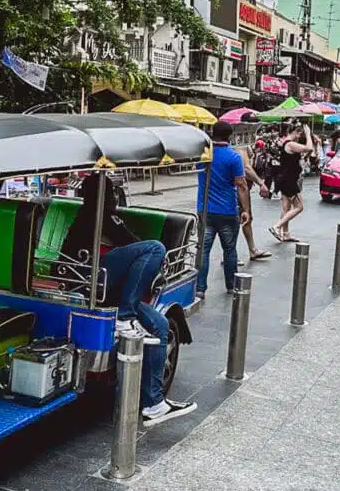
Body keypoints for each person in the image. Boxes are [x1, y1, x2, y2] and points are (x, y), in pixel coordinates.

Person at [62, 173, 196, 427]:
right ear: (105, 196)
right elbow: (135, 243)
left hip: (105, 286)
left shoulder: (95, 216)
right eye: (112, 193)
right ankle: (125, 316)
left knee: (160, 325)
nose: (114, 197)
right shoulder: (98, 215)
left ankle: (153, 403)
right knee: (155, 248)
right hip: (92, 280)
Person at [196, 121, 251, 297]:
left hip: (205, 210)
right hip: (227, 211)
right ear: (230, 136)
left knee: (203, 250)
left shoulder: (204, 156)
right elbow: (241, 186)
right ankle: (231, 285)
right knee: (229, 250)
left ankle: (200, 288)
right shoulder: (233, 157)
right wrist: (246, 210)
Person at [269, 122, 313, 242]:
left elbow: (306, 153)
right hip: (289, 180)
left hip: (284, 179)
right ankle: (276, 226)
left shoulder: (287, 144)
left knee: (286, 208)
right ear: (294, 131)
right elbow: (309, 148)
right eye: (299, 133)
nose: (300, 136)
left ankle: (286, 233)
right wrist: (309, 134)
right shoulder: (290, 144)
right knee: (299, 207)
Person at [239, 144, 272, 261]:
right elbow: (246, 168)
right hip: (238, 187)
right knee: (243, 218)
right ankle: (230, 253)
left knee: (244, 219)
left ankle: (252, 250)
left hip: (239, 186)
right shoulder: (240, 145)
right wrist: (260, 183)